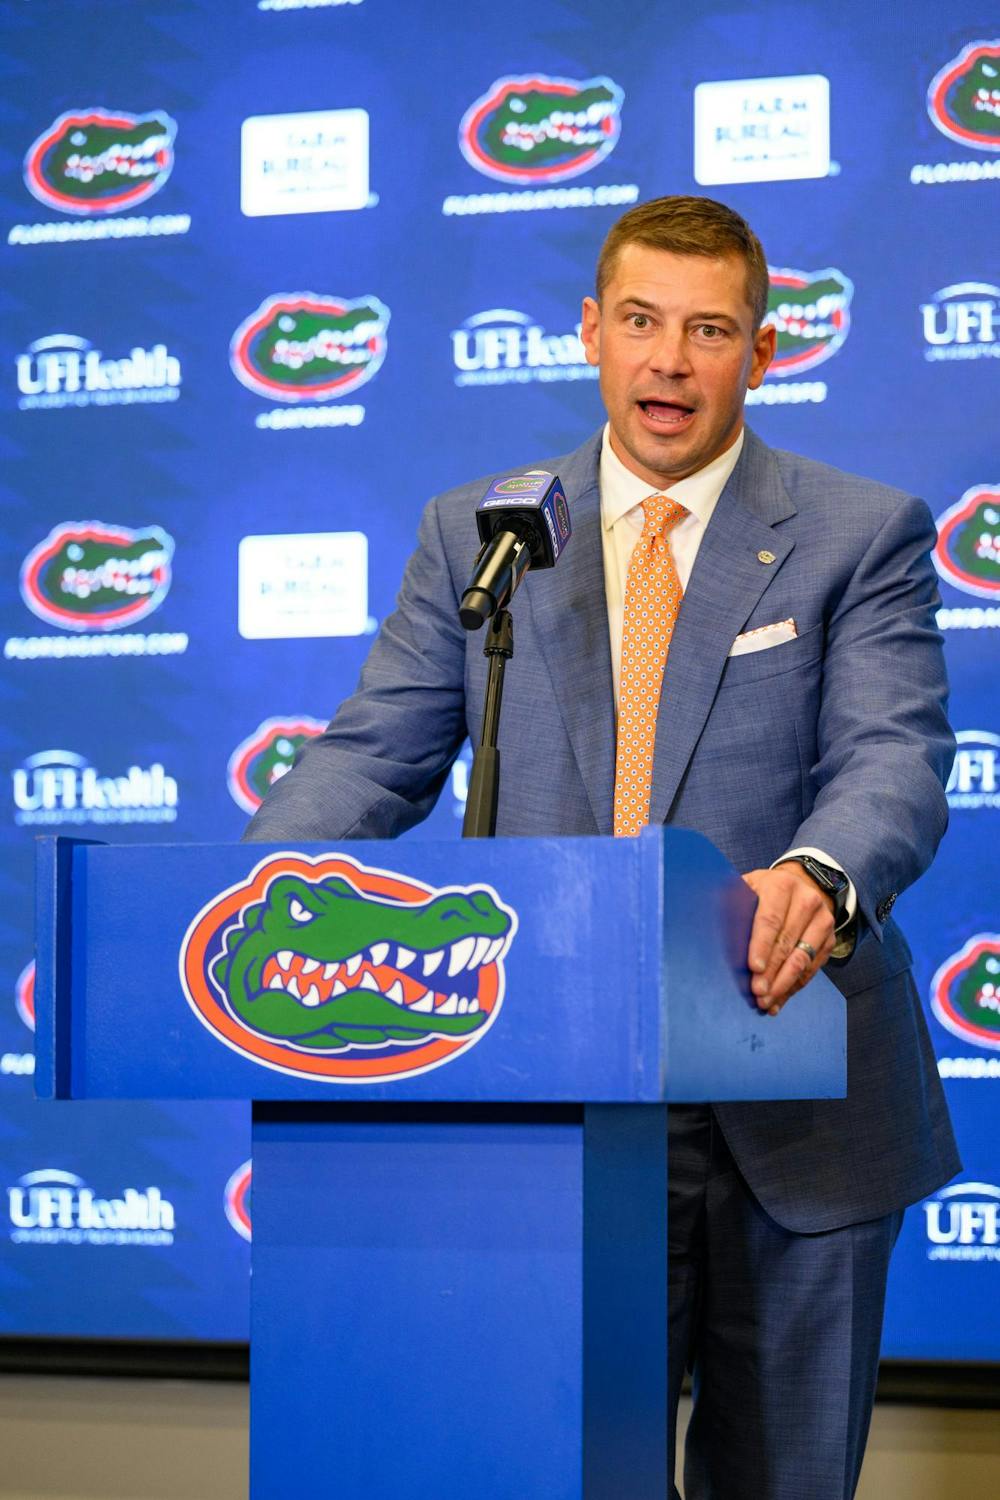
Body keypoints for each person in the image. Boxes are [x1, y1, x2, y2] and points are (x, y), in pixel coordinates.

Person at [245, 196, 959, 1499]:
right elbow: (371, 758)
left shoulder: (861, 531)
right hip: (558, 1107)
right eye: (640, 322)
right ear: (590, 330)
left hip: (793, 1086)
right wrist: (239, 896)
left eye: (707, 329)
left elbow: (892, 761)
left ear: (764, 347)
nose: (669, 362)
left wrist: (822, 872)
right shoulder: (487, 532)